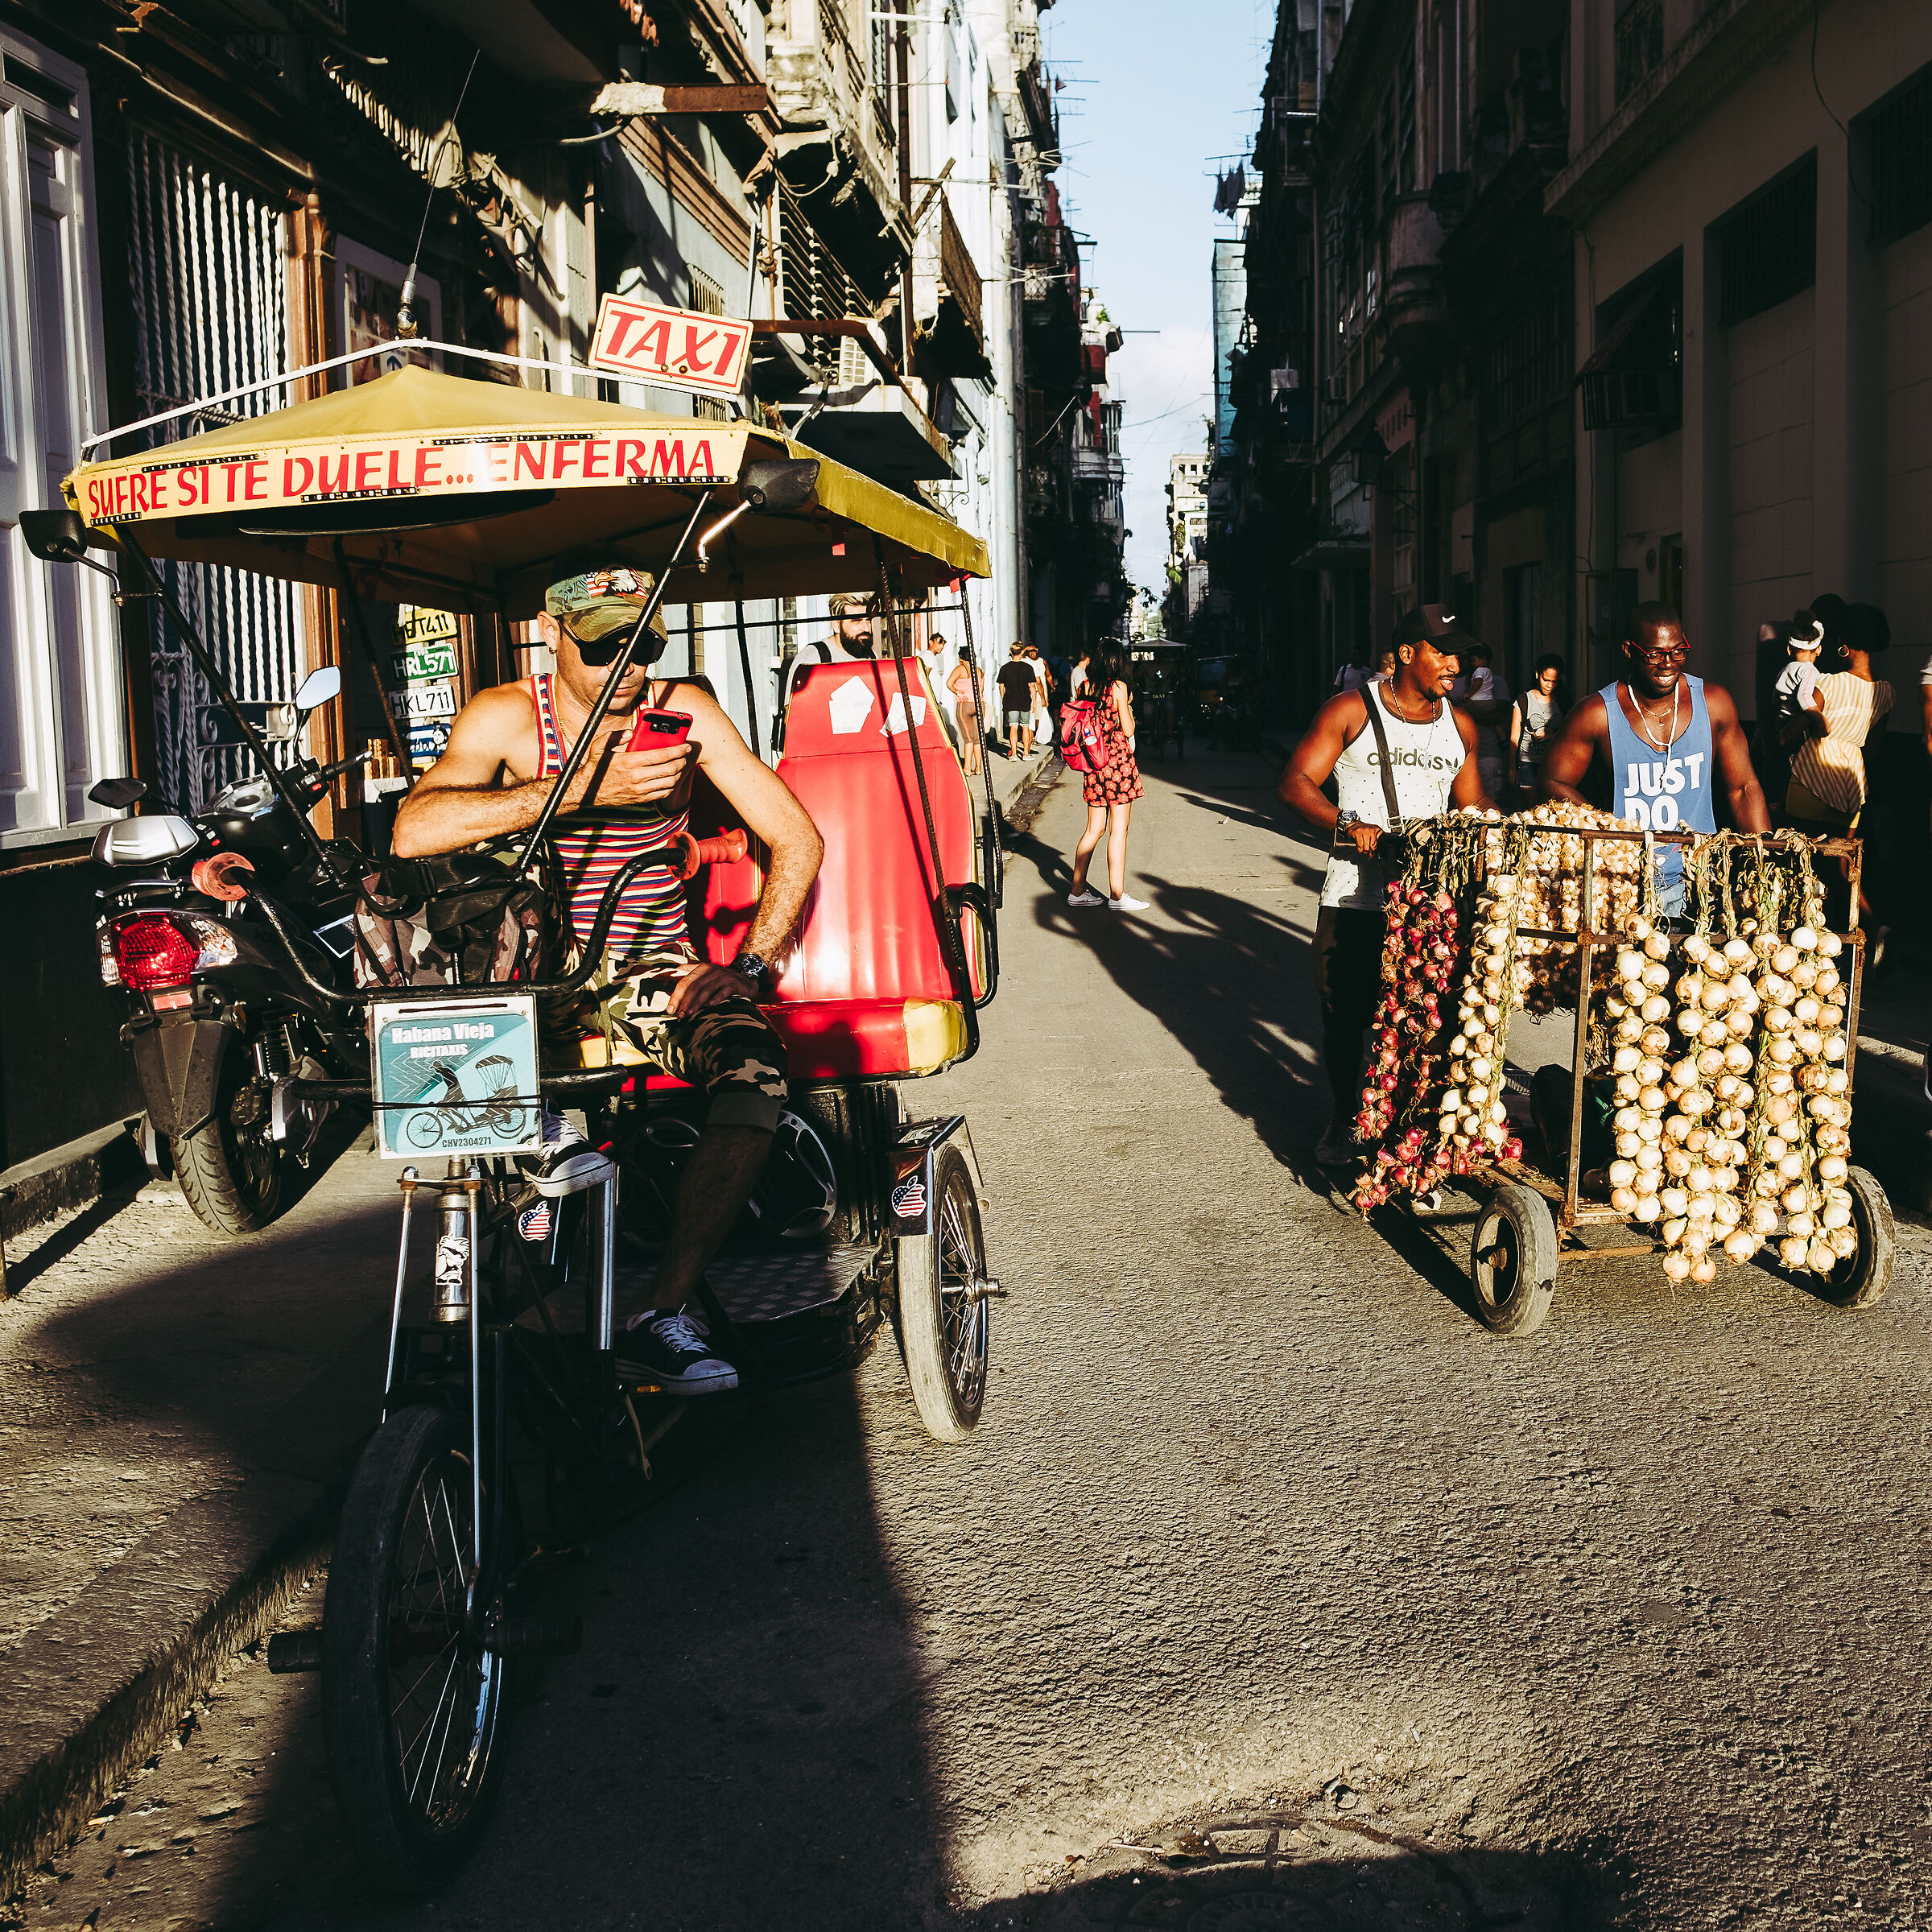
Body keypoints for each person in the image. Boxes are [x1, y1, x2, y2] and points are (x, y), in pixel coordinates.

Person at [391, 563, 824, 1396]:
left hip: (643, 969)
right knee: (435, 1088)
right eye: (603, 648)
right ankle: (493, 1285)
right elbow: (414, 831)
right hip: (520, 982)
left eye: (643, 647)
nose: (627, 669)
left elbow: (796, 838)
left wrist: (750, 969)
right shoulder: (509, 718)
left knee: (754, 1075)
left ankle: (664, 1312)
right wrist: (587, 786)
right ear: (551, 635)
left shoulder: (681, 712)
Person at [1279, 604, 1492, 1168]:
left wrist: (1508, 833)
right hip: (1356, 895)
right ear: (1404, 654)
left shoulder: (1460, 726)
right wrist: (1349, 825)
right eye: (1442, 652)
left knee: (1427, 1018)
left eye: (1461, 655)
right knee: (1346, 1012)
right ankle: (1345, 1115)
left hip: (1430, 904)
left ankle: (1413, 1129)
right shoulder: (1352, 709)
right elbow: (1297, 782)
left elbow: (1474, 807)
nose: (1455, 664)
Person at [1538, 601, 1769, 916]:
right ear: (1628, 650)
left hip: (1703, 879)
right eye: (1655, 654)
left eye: (1678, 651)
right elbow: (1552, 782)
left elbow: (1743, 788)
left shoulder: (1714, 703)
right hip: (1625, 883)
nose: (1668, 663)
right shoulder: (1596, 714)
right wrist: (1605, 828)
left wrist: (1765, 865)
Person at [1782, 625, 1893, 952]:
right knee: (1842, 867)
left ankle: (1802, 946)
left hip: (1811, 775)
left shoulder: (1827, 682)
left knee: (1796, 865)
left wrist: (1783, 737)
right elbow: (1874, 750)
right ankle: (1875, 927)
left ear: (1844, 648)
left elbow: (1792, 732)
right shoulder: (1885, 692)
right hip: (1852, 783)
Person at [1065, 641, 1148, 912]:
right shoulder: (1119, 687)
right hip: (1117, 764)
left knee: (1094, 829)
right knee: (1119, 830)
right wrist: (1130, 709)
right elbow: (1127, 728)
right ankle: (1117, 895)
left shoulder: (1085, 687)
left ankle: (1077, 891)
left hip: (1093, 763)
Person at [1509, 654, 1567, 804]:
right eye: (1546, 680)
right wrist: (1512, 768)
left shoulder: (1563, 701)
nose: (1550, 685)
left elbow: (1570, 734)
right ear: (1537, 674)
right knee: (1531, 809)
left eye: (1554, 682)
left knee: (1552, 810)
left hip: (1554, 764)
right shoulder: (1523, 701)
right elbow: (1514, 738)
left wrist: (1551, 735)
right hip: (1527, 762)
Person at [1775, 611, 1828, 737]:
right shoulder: (1810, 671)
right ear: (1818, 649)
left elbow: (1775, 698)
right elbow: (1804, 697)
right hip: (1794, 725)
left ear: (1789, 649)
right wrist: (1821, 719)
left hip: (1780, 721)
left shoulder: (1785, 670)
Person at [946, 647, 985, 777]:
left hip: (965, 704)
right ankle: (978, 768)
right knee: (978, 739)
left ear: (961, 657)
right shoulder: (978, 670)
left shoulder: (960, 668)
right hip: (979, 704)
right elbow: (982, 689)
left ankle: (967, 768)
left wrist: (958, 692)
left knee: (968, 738)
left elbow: (949, 683)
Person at [997, 644, 1037, 758]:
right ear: (1021, 653)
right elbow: (1032, 686)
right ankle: (1026, 753)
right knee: (1025, 726)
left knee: (1013, 727)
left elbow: (1001, 686)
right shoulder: (1028, 668)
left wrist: (1003, 698)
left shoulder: (1005, 668)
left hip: (1011, 701)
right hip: (1025, 700)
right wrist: (1034, 701)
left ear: (1011, 652)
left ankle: (1014, 754)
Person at [1026, 645, 1055, 751]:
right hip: (1032, 692)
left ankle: (1037, 735)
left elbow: (1048, 676)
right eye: (1030, 651)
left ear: (1037, 652)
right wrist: (1025, 649)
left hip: (1042, 692)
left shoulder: (1042, 661)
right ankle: (1032, 737)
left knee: (1039, 715)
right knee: (1032, 715)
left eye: (1034, 651)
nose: (1032, 653)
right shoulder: (1026, 660)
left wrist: (1052, 687)